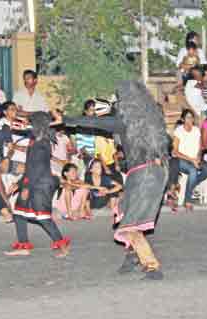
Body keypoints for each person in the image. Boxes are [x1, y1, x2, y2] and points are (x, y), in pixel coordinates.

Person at [57, 81, 171, 279]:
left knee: (131, 223)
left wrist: (65, 118)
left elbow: (95, 122)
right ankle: (132, 255)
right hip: (154, 173)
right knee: (122, 208)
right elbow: (167, 143)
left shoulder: (125, 121)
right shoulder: (153, 120)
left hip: (144, 174)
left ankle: (152, 266)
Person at [6, 112, 70, 258]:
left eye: (31, 122)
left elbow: (37, 170)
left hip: (41, 184)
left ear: (38, 125)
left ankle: (62, 246)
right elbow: (30, 167)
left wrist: (26, 187)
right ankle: (23, 246)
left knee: (42, 217)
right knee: (19, 214)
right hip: (34, 181)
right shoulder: (36, 139)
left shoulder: (41, 143)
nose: (27, 124)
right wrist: (19, 183)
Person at [172, 109, 207, 211]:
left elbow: (200, 147)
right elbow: (175, 151)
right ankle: (187, 200)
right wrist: (191, 160)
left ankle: (189, 186)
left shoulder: (196, 130)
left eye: (191, 117)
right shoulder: (179, 131)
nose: (190, 120)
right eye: (187, 117)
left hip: (195, 159)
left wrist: (198, 157)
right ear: (183, 119)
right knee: (193, 171)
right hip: (182, 159)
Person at [74, 100, 97, 166]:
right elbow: (80, 146)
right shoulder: (81, 125)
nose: (93, 112)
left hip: (100, 154)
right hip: (89, 157)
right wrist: (91, 157)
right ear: (85, 111)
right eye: (91, 110)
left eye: (94, 110)